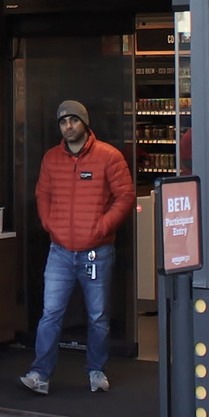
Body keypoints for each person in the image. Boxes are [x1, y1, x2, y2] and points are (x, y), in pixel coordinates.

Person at [21, 99, 132, 395]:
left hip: (96, 250)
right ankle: (39, 374)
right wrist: (48, 223)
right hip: (59, 250)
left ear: (85, 122)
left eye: (73, 120)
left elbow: (125, 197)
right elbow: (42, 193)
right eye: (62, 122)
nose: (68, 126)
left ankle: (96, 371)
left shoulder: (109, 156)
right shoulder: (51, 159)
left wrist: (102, 227)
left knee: (97, 316)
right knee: (50, 313)